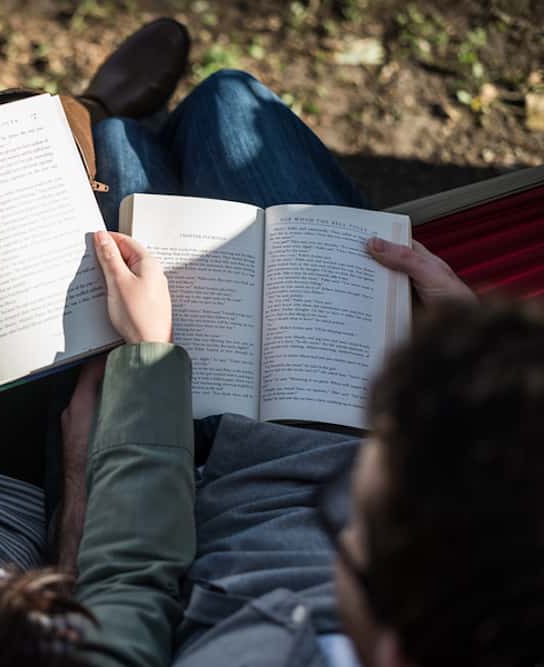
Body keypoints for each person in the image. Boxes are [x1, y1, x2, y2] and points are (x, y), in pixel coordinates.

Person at [69, 58, 540, 667]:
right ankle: (119, 120)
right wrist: (471, 352)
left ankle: (107, 115)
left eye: (346, 512)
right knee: (228, 99)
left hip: (176, 467)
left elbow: (129, 588)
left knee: (125, 151)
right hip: (331, 401)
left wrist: (147, 365)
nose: (335, 508)